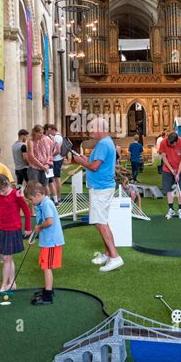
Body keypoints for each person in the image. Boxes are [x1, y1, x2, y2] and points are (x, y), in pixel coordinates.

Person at [72, 116, 123, 272]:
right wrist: (85, 159)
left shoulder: (103, 144)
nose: (90, 131)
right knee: (101, 222)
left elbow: (93, 166)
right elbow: (95, 163)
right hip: (102, 186)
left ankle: (114, 257)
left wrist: (82, 162)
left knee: (101, 222)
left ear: (99, 128)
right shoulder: (106, 143)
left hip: (101, 187)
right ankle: (108, 254)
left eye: (92, 128)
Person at [0, 174, 32, 292]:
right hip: (3, 229)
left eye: (3, 190)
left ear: (7, 184)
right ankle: (12, 283)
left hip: (13, 229)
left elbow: (27, 211)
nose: (1, 193)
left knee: (6, 258)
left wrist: (28, 228)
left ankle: (4, 285)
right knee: (8, 258)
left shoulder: (16, 194)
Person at [27, 181, 64, 305]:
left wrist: (39, 228)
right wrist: (34, 235)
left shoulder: (47, 204)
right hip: (46, 241)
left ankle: (48, 296)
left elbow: (49, 222)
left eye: (31, 199)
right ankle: (48, 289)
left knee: (47, 267)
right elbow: (40, 223)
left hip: (51, 242)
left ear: (38, 194)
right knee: (45, 266)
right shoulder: (41, 204)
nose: (31, 202)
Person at [158, 130, 181, 219]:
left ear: (177, 141)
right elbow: (164, 157)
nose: (171, 146)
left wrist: (178, 173)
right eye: (169, 143)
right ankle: (171, 209)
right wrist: (172, 170)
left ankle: (180, 209)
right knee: (169, 189)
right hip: (167, 169)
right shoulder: (164, 142)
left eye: (173, 144)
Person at [26, 125, 52, 191]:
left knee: (45, 186)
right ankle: (36, 201)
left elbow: (48, 153)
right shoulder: (30, 141)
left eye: (42, 133)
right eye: (40, 133)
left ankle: (47, 200)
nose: (41, 134)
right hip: (34, 167)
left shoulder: (44, 140)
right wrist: (42, 166)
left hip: (45, 166)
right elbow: (31, 156)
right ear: (35, 132)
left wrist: (47, 164)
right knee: (34, 187)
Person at [48, 124, 64, 204]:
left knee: (56, 179)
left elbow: (57, 150)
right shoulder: (58, 137)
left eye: (50, 130)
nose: (49, 132)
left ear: (53, 129)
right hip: (58, 159)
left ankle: (58, 197)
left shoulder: (57, 137)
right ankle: (57, 197)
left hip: (56, 160)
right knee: (55, 179)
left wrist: (50, 156)